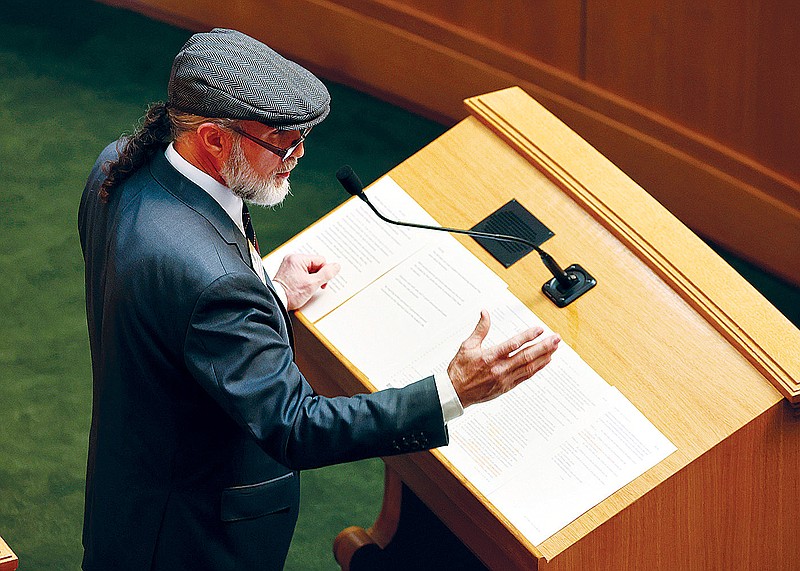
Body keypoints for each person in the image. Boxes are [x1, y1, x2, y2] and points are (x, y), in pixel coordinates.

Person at [78, 28, 561, 571]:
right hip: (192, 543)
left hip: (128, 504)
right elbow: (296, 425)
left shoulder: (117, 167)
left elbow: (168, 310)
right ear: (214, 139)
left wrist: (272, 293)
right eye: (283, 142)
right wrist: (452, 390)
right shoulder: (213, 284)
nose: (299, 154)